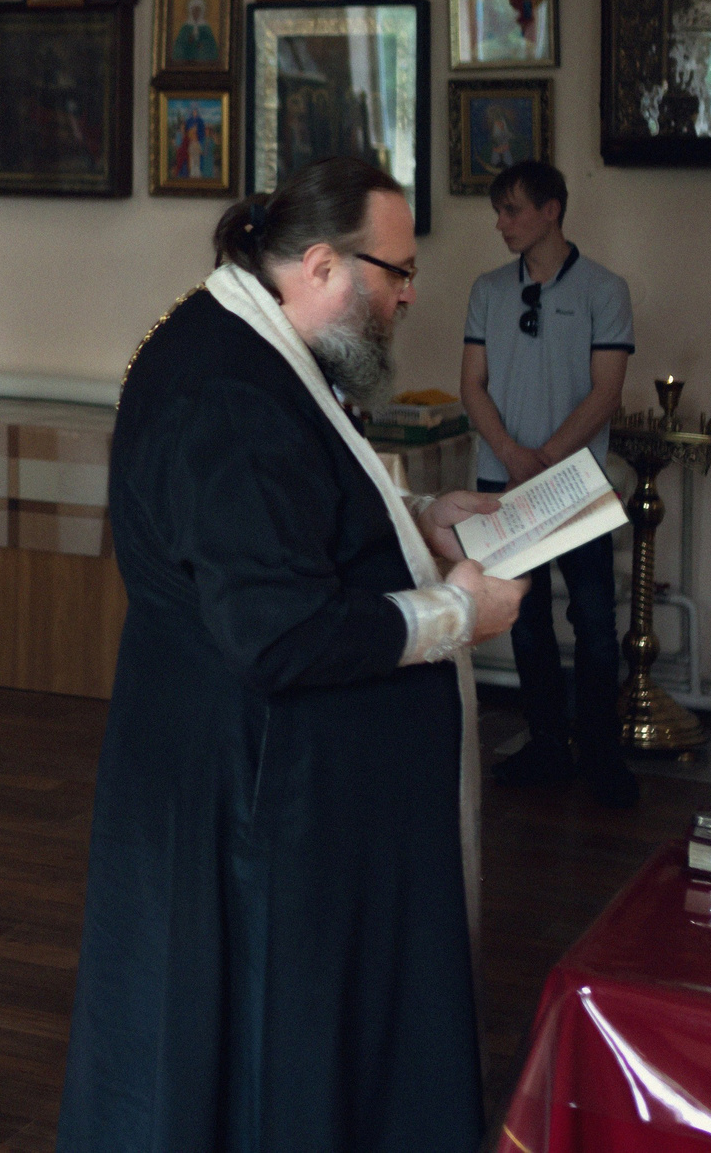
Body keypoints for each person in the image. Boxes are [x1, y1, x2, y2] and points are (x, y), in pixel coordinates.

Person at [58, 157, 525, 1153]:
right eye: (393, 271)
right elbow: (279, 629)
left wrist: (417, 520)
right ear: (319, 263)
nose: (407, 294)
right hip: (250, 785)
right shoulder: (225, 385)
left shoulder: (255, 344)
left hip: (266, 771)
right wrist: (456, 614)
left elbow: (289, 519)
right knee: (268, 1044)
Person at [462, 160, 639, 808]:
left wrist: (548, 455)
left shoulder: (604, 288)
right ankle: (545, 742)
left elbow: (607, 390)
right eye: (499, 210)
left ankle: (599, 748)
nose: (502, 222)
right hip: (502, 474)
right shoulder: (488, 288)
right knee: (525, 619)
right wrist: (510, 453)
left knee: (593, 616)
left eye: (513, 209)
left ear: (552, 209)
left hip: (574, 481)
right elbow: (471, 383)